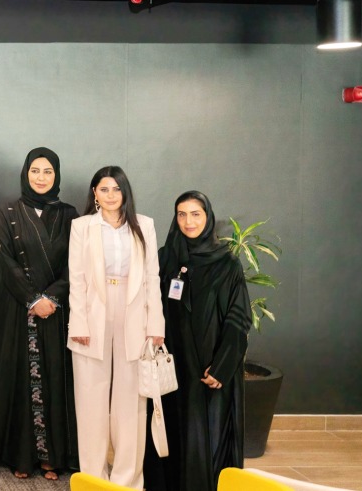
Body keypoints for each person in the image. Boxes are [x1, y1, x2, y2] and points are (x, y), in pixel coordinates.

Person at [0, 148, 79, 480]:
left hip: (56, 311)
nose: (41, 177)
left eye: (48, 171)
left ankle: (52, 457)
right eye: (35, 170)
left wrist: (52, 297)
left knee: (54, 379)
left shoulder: (70, 214)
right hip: (16, 308)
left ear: (56, 175)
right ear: (25, 173)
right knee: (18, 378)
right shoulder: (8, 212)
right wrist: (34, 299)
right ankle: (20, 456)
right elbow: (4, 260)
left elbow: (75, 265)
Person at [67, 165, 164, 490]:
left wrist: (156, 324)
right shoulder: (81, 226)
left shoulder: (144, 226)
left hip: (134, 313)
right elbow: (77, 279)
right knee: (90, 399)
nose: (110, 195)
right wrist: (78, 320)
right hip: (92, 313)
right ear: (94, 193)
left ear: (125, 192)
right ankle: (93, 478)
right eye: (104, 189)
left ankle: (128, 480)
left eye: (116, 189)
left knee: (131, 402)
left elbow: (153, 277)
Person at [148, 191, 250, 491]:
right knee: (172, 430)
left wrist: (223, 365)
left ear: (208, 218)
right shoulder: (166, 257)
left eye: (196, 214)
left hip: (209, 366)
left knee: (207, 433)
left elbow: (238, 317)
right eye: (182, 214)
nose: (188, 221)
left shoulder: (227, 263)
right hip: (171, 363)